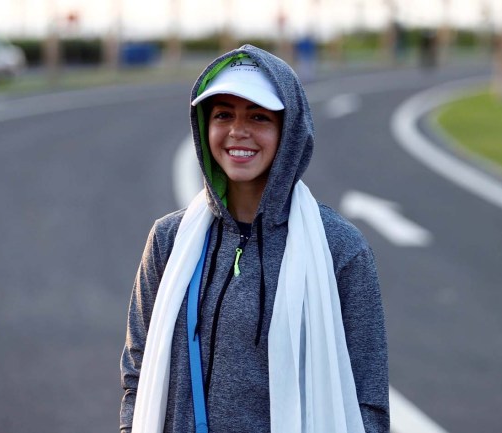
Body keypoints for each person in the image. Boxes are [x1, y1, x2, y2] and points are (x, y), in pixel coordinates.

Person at [120, 44, 389, 433]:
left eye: (259, 116)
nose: (237, 131)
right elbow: (137, 371)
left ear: (289, 129)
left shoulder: (340, 249)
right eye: (223, 114)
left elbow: (368, 400)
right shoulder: (169, 240)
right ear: (204, 126)